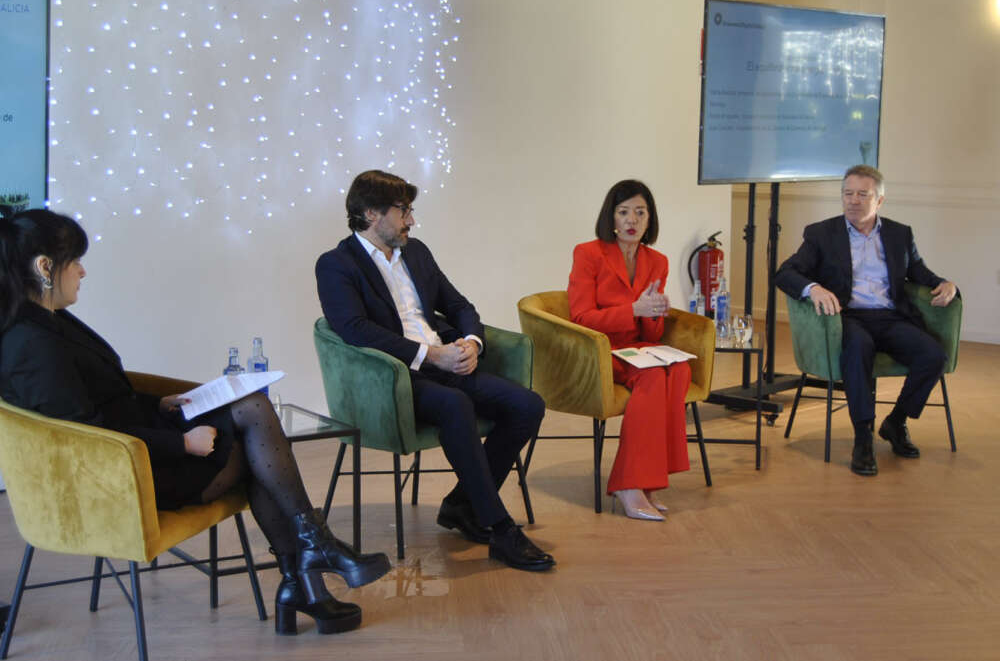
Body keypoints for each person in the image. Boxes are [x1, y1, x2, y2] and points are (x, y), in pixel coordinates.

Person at [0, 209, 391, 636]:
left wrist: (160, 402)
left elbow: (107, 393)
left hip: (135, 447)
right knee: (258, 453)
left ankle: (306, 572)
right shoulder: (29, 343)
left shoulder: (47, 319)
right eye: (75, 260)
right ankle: (308, 571)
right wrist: (182, 445)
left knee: (251, 410)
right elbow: (84, 435)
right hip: (118, 478)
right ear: (44, 267)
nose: (83, 270)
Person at [315, 170, 554, 572]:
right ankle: (498, 527)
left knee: (527, 405)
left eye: (411, 210)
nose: (411, 220)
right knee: (455, 405)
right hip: (395, 380)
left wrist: (470, 343)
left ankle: (463, 505)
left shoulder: (417, 252)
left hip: (447, 363)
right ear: (371, 213)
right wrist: (430, 356)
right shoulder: (336, 264)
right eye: (403, 211)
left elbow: (459, 305)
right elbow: (353, 329)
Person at [775, 165, 959, 476]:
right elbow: (785, 273)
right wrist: (814, 288)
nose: (853, 201)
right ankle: (863, 437)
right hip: (847, 317)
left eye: (863, 194)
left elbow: (920, 273)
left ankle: (896, 422)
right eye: (848, 194)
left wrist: (947, 284)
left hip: (890, 317)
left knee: (933, 355)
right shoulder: (821, 233)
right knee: (858, 347)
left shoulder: (900, 234)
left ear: (880, 200)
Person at [567, 179, 692, 521]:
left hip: (637, 346)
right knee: (652, 375)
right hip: (599, 349)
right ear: (611, 217)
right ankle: (629, 483)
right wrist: (633, 310)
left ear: (650, 219)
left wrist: (655, 311)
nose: (631, 220)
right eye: (624, 212)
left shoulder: (657, 261)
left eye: (640, 212)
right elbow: (581, 317)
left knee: (679, 369)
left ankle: (650, 480)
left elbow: (650, 332)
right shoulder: (588, 253)